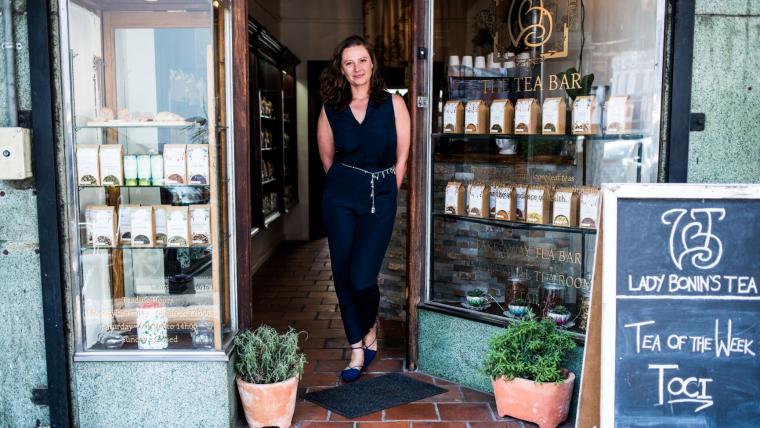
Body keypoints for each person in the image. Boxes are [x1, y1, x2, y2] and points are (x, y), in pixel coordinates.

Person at [317, 35, 410, 382]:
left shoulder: (392, 103)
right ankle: (357, 348)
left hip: (381, 197)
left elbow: (402, 155)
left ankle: (370, 325)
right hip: (340, 197)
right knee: (343, 274)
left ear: (372, 64)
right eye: (348, 63)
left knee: (362, 277)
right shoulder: (331, 108)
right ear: (341, 69)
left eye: (362, 61)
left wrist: (388, 187)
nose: (356, 68)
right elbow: (328, 159)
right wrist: (347, 186)